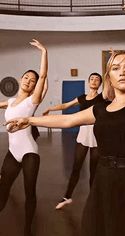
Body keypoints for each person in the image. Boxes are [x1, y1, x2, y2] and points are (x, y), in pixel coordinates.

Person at [5, 1, 125, 235]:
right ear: (109, 78)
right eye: (115, 68)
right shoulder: (100, 109)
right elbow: (66, 121)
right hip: (103, 179)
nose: (122, 72)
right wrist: (30, 120)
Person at [0, 39, 48, 236]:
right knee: (3, 188)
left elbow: (43, 75)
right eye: (27, 77)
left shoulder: (32, 101)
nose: (29, 80)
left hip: (29, 152)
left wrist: (44, 51)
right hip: (13, 151)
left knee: (30, 191)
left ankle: (28, 229)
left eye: (33, 81)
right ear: (20, 79)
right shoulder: (10, 101)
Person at [42, 72, 105, 209]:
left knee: (94, 170)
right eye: (92, 79)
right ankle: (67, 197)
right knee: (76, 167)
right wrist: (50, 108)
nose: (94, 81)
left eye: (97, 79)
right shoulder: (82, 98)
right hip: (83, 134)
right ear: (88, 82)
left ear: (100, 84)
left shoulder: (103, 97)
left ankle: (94, 199)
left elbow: (111, 85)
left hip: (97, 135)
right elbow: (65, 106)